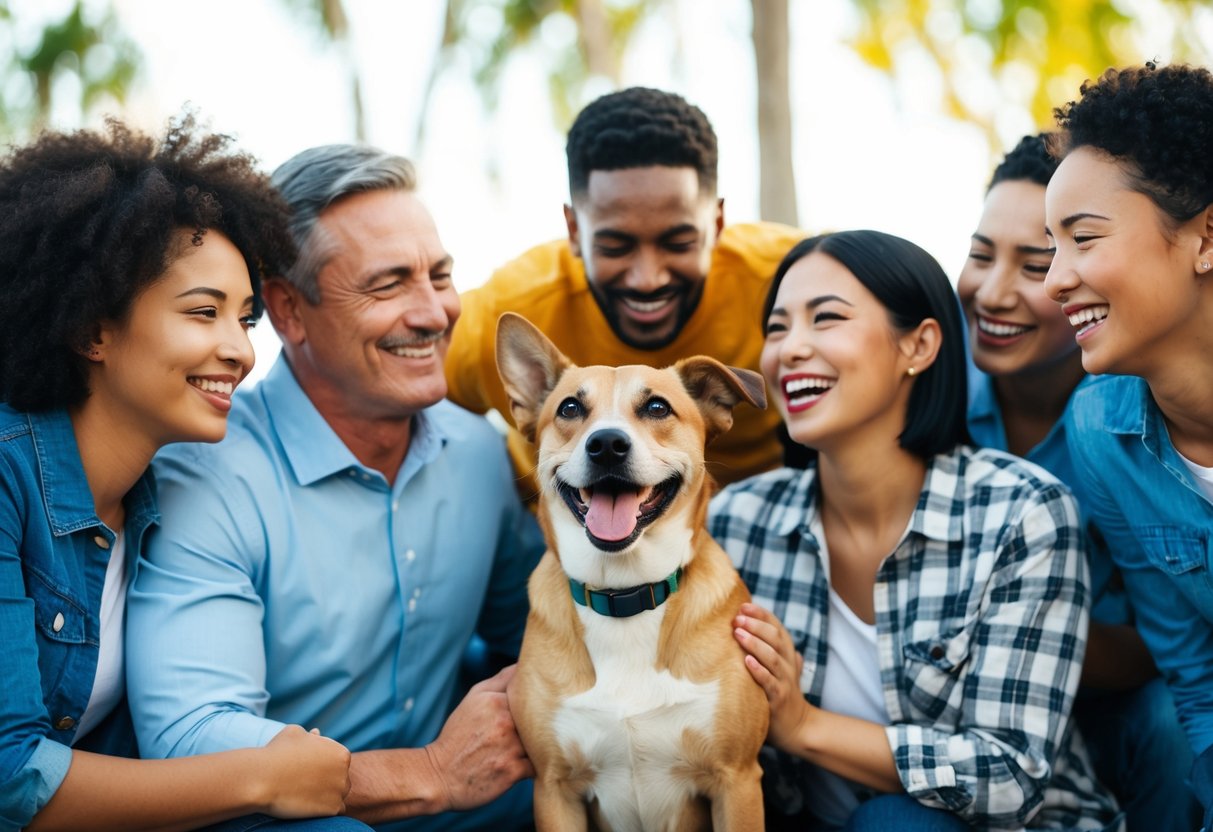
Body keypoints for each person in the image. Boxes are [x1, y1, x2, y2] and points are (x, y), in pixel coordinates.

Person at [125, 144, 545, 832]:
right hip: (282, 819)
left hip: (461, 808)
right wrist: (429, 774)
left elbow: (533, 631)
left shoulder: (478, 451)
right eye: (388, 286)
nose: (433, 313)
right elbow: (190, 736)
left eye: (440, 276)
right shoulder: (205, 477)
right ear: (288, 311)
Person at [0, 115, 360, 831]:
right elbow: (11, 778)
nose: (238, 351)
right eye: (204, 313)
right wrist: (261, 775)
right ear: (91, 329)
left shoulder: (165, 489)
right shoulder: (8, 477)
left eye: (246, 319)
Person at [709, 230, 1122, 831]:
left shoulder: (1022, 512)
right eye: (777, 328)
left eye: (826, 319)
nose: (791, 348)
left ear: (920, 345)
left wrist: (802, 724)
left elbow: (1010, 774)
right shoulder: (736, 522)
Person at [959, 133, 1199, 831]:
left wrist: (1011, 624)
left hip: (1115, 698)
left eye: (1035, 263)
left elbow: (1163, 644)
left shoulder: (1127, 414)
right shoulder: (929, 387)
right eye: (978, 255)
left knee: (1166, 723)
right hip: (968, 712)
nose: (995, 291)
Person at [444, 86, 802, 498]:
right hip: (555, 539)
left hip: (764, 529)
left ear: (717, 223)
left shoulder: (793, 280)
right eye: (616, 246)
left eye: (678, 242)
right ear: (574, 230)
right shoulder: (504, 311)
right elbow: (390, 395)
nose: (647, 278)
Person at [1043, 61, 1213, 831]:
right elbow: (1196, 680)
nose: (1054, 279)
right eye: (1053, 245)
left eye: (1081, 239)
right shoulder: (1097, 431)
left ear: (1204, 237)